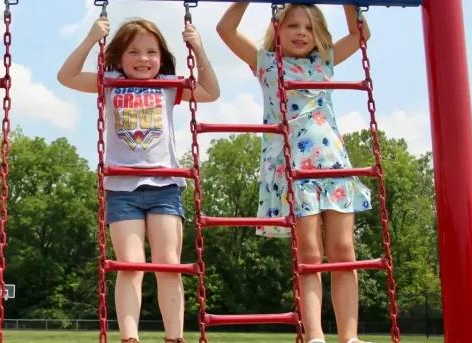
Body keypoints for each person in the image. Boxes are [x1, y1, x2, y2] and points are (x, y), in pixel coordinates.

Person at [57, 16, 220, 343]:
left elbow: (210, 92)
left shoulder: (169, 84)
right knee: (130, 265)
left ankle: (175, 337)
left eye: (151, 52)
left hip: (165, 187)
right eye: (133, 52)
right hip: (121, 189)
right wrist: (92, 37)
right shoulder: (110, 81)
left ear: (162, 58)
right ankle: (130, 338)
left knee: (168, 265)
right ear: (118, 56)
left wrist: (199, 49)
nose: (143, 59)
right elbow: (67, 76)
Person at [217, 3, 373, 343]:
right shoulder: (267, 63)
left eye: (308, 27)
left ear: (318, 35)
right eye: (292, 26)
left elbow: (361, 34)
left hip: (334, 165)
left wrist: (350, 5)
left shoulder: (324, 61)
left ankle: (350, 337)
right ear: (277, 30)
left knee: (344, 249)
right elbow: (225, 30)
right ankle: (315, 334)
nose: (301, 32)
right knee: (311, 253)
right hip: (294, 170)